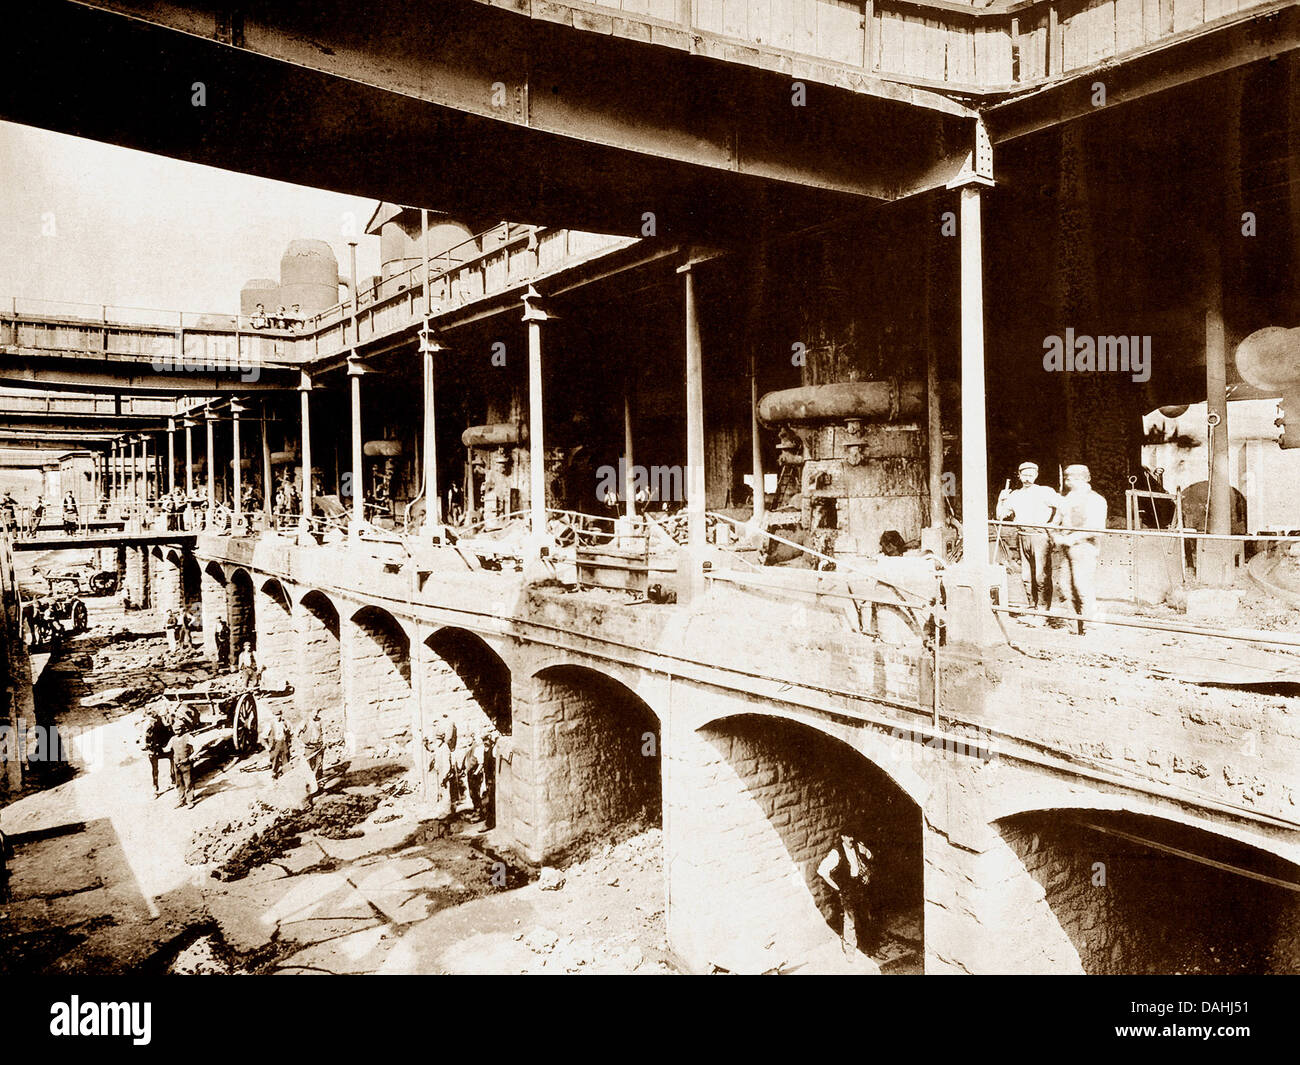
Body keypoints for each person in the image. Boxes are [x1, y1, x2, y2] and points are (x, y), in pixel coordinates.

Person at [995, 461, 1061, 618]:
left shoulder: (1045, 492)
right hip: (1022, 536)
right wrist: (1000, 500)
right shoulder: (1015, 495)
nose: (1027, 478)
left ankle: (1043, 610)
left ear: (1036, 475)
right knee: (1026, 576)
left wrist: (1054, 524)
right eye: (1024, 475)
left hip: (1040, 536)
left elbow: (1062, 507)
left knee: (1041, 576)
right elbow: (1000, 516)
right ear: (1019, 475)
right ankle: (1032, 607)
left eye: (1031, 475)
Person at [1050, 464, 1108, 635]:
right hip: (1066, 549)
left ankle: (1090, 626)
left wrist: (1068, 539)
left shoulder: (1095, 499)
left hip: (1084, 548)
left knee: (1082, 587)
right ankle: (1073, 628)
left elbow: (1096, 528)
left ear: (1086, 479)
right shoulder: (1066, 499)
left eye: (1076, 477)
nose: (1070, 481)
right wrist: (1054, 534)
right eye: (1068, 477)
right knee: (1065, 587)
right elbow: (1056, 521)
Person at [817, 831, 877, 956]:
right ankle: (850, 951)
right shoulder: (836, 853)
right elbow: (822, 871)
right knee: (850, 921)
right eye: (848, 836)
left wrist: (866, 851)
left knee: (866, 916)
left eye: (853, 835)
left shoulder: (857, 846)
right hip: (847, 888)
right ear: (842, 837)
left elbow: (871, 857)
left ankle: (869, 949)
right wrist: (837, 888)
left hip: (860, 885)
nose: (851, 838)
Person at [426, 727, 454, 837]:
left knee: (446, 793)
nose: (436, 741)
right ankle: (444, 811)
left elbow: (447, 763)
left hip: (444, 773)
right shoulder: (438, 748)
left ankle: (447, 813)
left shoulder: (445, 748)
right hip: (440, 772)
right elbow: (432, 752)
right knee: (442, 792)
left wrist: (445, 776)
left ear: (442, 739)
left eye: (438, 739)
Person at [140, 708, 174, 797]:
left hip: (160, 742)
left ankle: (173, 779)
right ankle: (155, 787)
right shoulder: (146, 723)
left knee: (172, 758)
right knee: (154, 769)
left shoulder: (160, 720)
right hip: (152, 745)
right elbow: (144, 733)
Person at [166, 725, 195, 808]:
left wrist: (190, 757)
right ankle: (181, 800)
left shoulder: (188, 737)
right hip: (176, 764)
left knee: (188, 782)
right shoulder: (173, 739)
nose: (177, 731)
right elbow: (167, 749)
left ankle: (190, 800)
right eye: (175, 730)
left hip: (186, 763)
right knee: (179, 782)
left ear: (182, 729)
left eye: (178, 729)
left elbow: (197, 746)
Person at [301, 708, 325, 790]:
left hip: (318, 745)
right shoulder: (305, 721)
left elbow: (323, 731)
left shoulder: (320, 721)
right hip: (309, 747)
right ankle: (309, 785)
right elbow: (297, 732)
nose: (315, 714)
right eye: (313, 712)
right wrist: (301, 743)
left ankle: (319, 782)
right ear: (310, 712)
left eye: (317, 712)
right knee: (309, 766)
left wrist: (324, 741)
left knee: (319, 764)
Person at [266, 707, 291, 780]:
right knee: (275, 761)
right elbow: (262, 737)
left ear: (281, 714)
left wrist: (289, 742)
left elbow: (291, 733)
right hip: (275, 744)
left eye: (279, 714)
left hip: (284, 743)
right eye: (276, 715)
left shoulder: (285, 722)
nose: (277, 716)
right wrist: (267, 746)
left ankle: (287, 777)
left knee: (286, 760)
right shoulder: (270, 724)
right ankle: (274, 776)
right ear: (273, 715)